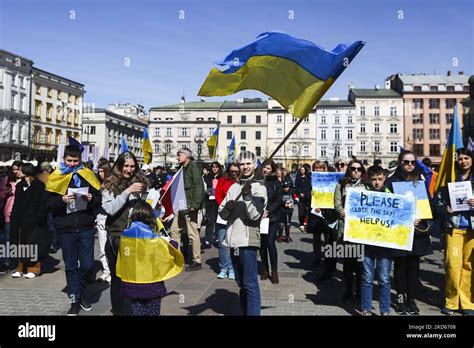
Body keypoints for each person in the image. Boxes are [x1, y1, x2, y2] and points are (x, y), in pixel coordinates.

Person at [44, 145, 102, 315]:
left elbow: (98, 199)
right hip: (65, 227)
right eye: (69, 161)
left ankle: (80, 290)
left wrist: (92, 199)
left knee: (87, 265)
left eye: (75, 161)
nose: (72, 164)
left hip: (85, 227)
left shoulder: (88, 174)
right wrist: (61, 199)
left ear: (80, 160)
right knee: (70, 266)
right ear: (64, 159)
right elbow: (47, 204)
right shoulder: (55, 176)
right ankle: (75, 300)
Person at [218, 151, 267, 316]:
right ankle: (245, 311)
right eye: (242, 164)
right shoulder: (233, 187)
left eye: (248, 163)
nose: (245, 167)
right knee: (240, 282)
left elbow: (255, 216)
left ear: (255, 165)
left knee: (250, 284)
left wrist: (247, 197)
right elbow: (222, 214)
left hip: (247, 241)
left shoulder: (260, 187)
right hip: (233, 241)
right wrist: (227, 208)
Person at [101, 151, 149, 315]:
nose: (129, 170)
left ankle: (132, 309)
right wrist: (127, 191)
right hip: (118, 237)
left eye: (132, 166)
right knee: (118, 279)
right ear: (119, 167)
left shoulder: (141, 183)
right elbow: (110, 209)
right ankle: (119, 311)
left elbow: (147, 210)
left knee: (134, 278)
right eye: (126, 166)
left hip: (137, 237)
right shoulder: (110, 184)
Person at [117, 201, 184, 316]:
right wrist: (171, 241)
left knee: (137, 312)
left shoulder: (124, 236)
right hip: (152, 286)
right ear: (150, 219)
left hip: (132, 286)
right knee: (152, 313)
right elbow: (171, 250)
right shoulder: (155, 239)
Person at [387, 150, 432, 315]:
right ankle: (400, 300)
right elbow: (387, 207)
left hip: (417, 233)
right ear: (400, 162)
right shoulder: (391, 182)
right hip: (399, 232)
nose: (410, 165)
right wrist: (405, 218)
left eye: (412, 162)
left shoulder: (420, 181)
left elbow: (428, 205)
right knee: (399, 268)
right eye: (406, 162)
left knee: (414, 268)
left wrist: (425, 215)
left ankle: (411, 300)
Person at [435, 148, 474, 316]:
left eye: (466, 158)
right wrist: (445, 208)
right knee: (452, 265)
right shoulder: (449, 178)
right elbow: (436, 201)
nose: (463, 161)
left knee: (469, 266)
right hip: (454, 227)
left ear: (472, 160)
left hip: (472, 228)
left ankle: (467, 303)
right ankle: (451, 301)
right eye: (460, 158)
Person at [360, 165, 393, 316]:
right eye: (374, 179)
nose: (377, 183)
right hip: (367, 241)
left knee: (384, 277)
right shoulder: (362, 193)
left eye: (380, 179)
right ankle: (366, 308)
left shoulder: (391, 193)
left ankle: (385, 310)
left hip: (385, 242)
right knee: (367, 276)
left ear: (385, 178)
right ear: (369, 179)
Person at [335, 159, 366, 303]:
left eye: (359, 169)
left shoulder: (366, 185)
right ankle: (348, 289)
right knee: (347, 263)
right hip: (345, 229)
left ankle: (360, 292)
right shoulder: (341, 184)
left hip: (361, 231)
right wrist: (342, 212)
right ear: (349, 169)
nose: (356, 171)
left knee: (360, 264)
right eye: (353, 169)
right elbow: (336, 203)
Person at [10, 163, 49, 279]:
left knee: (33, 243)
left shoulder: (39, 185)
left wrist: (38, 217)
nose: (18, 172)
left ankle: (34, 268)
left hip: (34, 220)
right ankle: (20, 267)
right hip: (20, 218)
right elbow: (16, 203)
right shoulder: (19, 185)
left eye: (21, 170)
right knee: (19, 242)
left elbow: (41, 204)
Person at [169, 148, 205, 272]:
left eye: (179, 155)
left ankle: (197, 260)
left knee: (193, 233)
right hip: (181, 205)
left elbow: (199, 187)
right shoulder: (182, 169)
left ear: (186, 156)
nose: (177, 158)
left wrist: (195, 204)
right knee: (174, 230)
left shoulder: (193, 168)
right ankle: (177, 258)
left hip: (190, 206)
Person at [307, 160, 339, 268]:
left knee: (328, 237)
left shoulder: (330, 179)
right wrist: (309, 194)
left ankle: (327, 257)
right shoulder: (310, 179)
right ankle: (317, 257)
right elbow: (303, 193)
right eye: (316, 167)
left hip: (327, 212)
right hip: (315, 212)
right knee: (316, 237)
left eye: (320, 167)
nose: (318, 169)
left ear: (324, 169)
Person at [214, 163, 239, 279]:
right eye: (231, 171)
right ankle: (223, 268)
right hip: (223, 213)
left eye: (236, 171)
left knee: (233, 244)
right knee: (222, 243)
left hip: (236, 215)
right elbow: (218, 194)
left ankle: (232, 268)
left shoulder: (240, 182)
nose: (234, 173)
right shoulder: (223, 180)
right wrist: (223, 207)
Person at [260, 159, 282, 284]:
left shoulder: (276, 183)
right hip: (259, 217)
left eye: (268, 168)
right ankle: (264, 268)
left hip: (272, 217)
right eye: (264, 167)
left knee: (270, 243)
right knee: (262, 245)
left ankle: (274, 271)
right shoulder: (257, 180)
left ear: (272, 170)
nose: (265, 170)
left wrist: (268, 211)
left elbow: (278, 200)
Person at [0, 161, 22, 273]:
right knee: (8, 238)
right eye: (13, 169)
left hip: (21, 214)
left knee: (20, 238)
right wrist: (5, 193)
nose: (15, 171)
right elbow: (1, 194)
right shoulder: (7, 180)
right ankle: (8, 261)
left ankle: (19, 262)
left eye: (17, 169)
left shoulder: (25, 181)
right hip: (8, 212)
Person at [95, 161, 112, 283]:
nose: (100, 173)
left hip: (110, 219)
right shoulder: (98, 184)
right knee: (102, 247)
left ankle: (112, 271)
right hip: (100, 218)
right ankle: (106, 271)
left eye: (102, 171)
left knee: (110, 247)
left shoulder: (113, 185)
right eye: (99, 171)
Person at [203, 161, 223, 249]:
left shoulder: (222, 177)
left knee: (218, 221)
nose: (214, 168)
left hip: (219, 201)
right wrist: (206, 191)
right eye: (213, 167)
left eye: (216, 167)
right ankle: (208, 240)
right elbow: (204, 187)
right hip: (210, 201)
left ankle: (218, 239)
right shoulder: (207, 177)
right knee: (210, 221)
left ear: (219, 168)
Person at [277, 167, 294, 243]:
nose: (283, 173)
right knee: (281, 222)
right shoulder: (278, 180)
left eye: (284, 172)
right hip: (280, 203)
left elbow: (292, 189)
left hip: (289, 201)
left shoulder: (289, 179)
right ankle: (280, 236)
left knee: (288, 222)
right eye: (281, 172)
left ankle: (287, 236)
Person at [295, 165, 311, 232]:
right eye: (301, 169)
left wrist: (306, 193)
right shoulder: (298, 178)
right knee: (301, 212)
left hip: (307, 197)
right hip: (300, 198)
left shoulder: (308, 178)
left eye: (303, 169)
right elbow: (296, 187)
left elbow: (310, 187)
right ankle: (301, 224)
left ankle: (306, 224)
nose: (302, 171)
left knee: (307, 212)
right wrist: (299, 193)